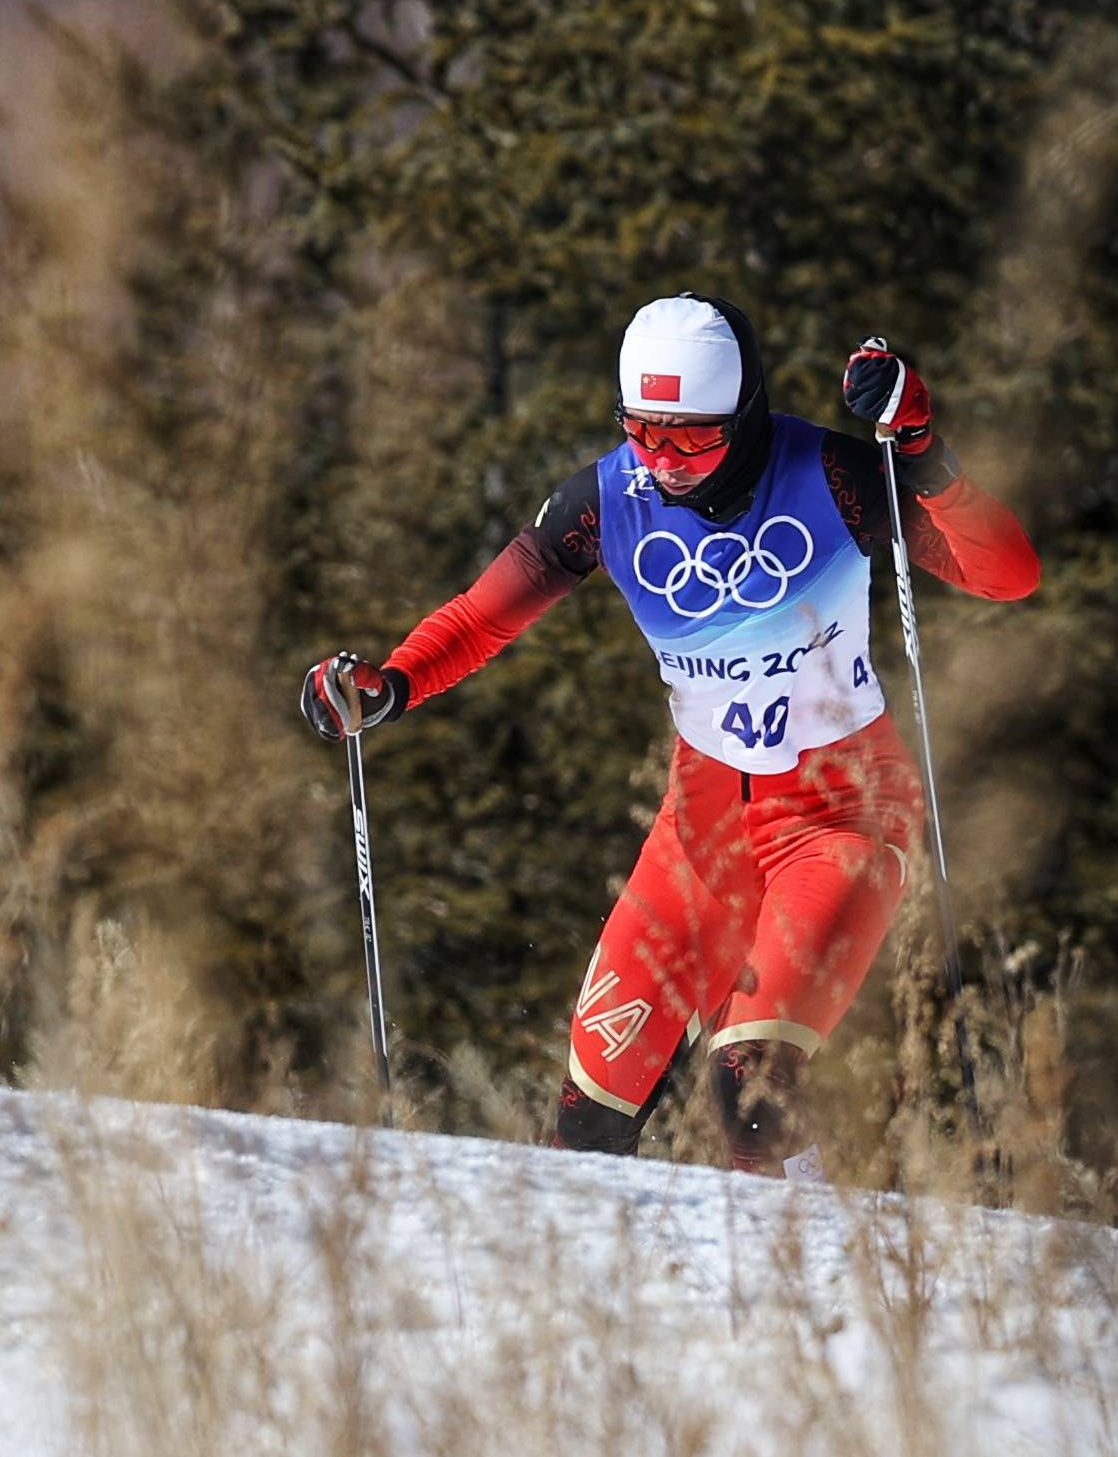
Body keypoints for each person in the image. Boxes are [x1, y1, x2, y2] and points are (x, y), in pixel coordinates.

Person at [297, 294, 1038, 1180]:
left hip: (841, 814)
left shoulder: (834, 474)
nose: (666, 460)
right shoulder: (607, 499)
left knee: (750, 1085)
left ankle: (819, 1284)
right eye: (644, 431)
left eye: (692, 437)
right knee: (591, 1115)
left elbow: (1007, 574)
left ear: (745, 414)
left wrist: (919, 453)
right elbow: (480, 616)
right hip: (702, 831)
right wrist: (389, 685)